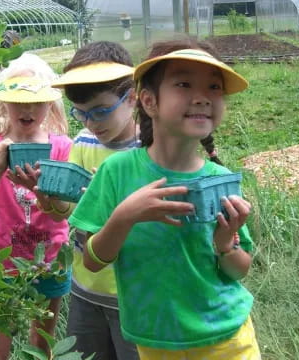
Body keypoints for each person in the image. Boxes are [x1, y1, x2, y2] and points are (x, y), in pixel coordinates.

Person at [69, 38, 261, 360]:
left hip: (228, 339)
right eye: (184, 84)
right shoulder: (117, 171)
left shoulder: (219, 179)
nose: (201, 98)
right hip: (154, 341)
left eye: (214, 87)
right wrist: (124, 216)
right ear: (148, 101)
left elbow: (239, 271)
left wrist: (226, 242)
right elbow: (92, 260)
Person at [0, 53, 73, 360]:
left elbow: (66, 211)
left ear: (50, 103)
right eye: (18, 99)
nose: (27, 108)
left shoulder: (62, 147)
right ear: (3, 103)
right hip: (4, 265)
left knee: (41, 346)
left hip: (51, 261)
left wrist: (40, 192)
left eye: (37, 100)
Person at [48, 41, 140, 359]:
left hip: (134, 294)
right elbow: (67, 211)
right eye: (81, 113)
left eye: (101, 111)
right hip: (86, 288)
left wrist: (112, 206)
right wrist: (48, 196)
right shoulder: (84, 142)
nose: (91, 123)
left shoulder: (152, 152)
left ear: (133, 98)